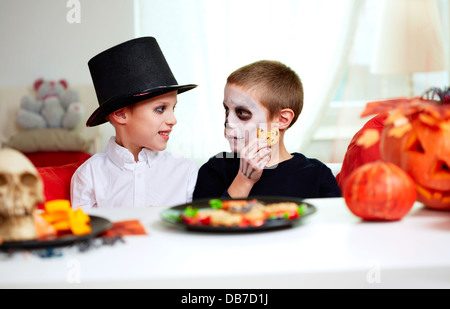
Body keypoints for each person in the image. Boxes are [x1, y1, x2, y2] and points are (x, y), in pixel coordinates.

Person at [71, 37, 198, 209]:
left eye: (173, 108)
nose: (173, 120)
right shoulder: (89, 175)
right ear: (120, 114)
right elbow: (86, 232)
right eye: (160, 109)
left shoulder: (186, 172)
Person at [193, 60, 341, 200]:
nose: (228, 122)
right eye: (227, 110)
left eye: (242, 113)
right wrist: (243, 181)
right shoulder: (215, 169)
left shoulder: (316, 174)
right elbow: (205, 222)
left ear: (282, 120)